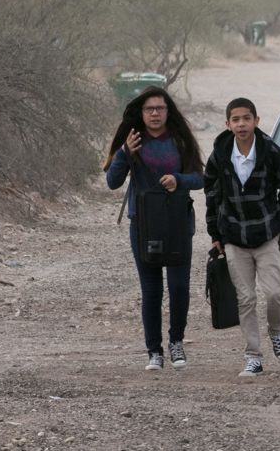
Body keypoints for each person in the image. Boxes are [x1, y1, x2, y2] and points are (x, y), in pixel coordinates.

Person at [104, 86, 204, 371]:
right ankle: (154, 352)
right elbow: (112, 182)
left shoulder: (180, 141)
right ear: (142, 113)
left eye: (160, 108)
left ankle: (176, 343)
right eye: (150, 109)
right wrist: (124, 152)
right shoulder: (133, 140)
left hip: (177, 223)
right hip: (143, 226)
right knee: (151, 291)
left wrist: (178, 180)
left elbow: (201, 178)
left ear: (167, 111)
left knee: (179, 287)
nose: (155, 113)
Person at [204, 97, 280, 377]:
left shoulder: (271, 152)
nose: (241, 124)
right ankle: (253, 356)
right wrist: (215, 232)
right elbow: (210, 192)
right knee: (245, 299)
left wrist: (276, 223)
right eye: (235, 119)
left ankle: (277, 332)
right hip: (234, 237)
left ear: (256, 121)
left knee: (274, 294)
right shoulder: (220, 154)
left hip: (266, 237)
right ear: (227, 124)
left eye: (246, 118)